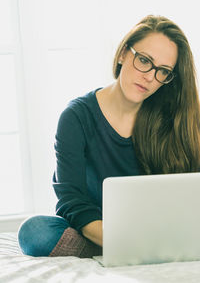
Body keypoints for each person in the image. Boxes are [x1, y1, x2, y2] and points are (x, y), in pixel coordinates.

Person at [18, 15, 200, 258]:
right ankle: (124, 250)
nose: (149, 76)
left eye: (163, 71)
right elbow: (71, 202)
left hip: (156, 230)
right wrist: (129, 243)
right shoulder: (76, 117)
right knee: (35, 231)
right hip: (99, 230)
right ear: (124, 52)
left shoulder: (170, 118)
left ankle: (129, 251)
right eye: (144, 60)